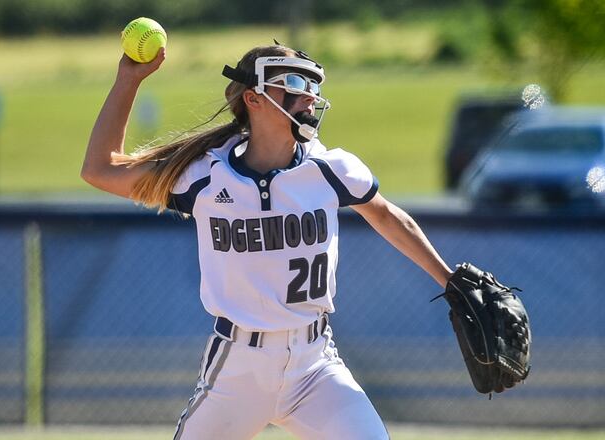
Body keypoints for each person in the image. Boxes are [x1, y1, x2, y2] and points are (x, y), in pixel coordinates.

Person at [81, 43, 453, 440]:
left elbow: (386, 215)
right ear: (253, 98)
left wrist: (450, 281)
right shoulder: (205, 176)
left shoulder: (330, 169)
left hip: (315, 367)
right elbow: (100, 169)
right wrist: (128, 79)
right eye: (292, 83)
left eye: (311, 84)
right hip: (237, 367)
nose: (308, 94)